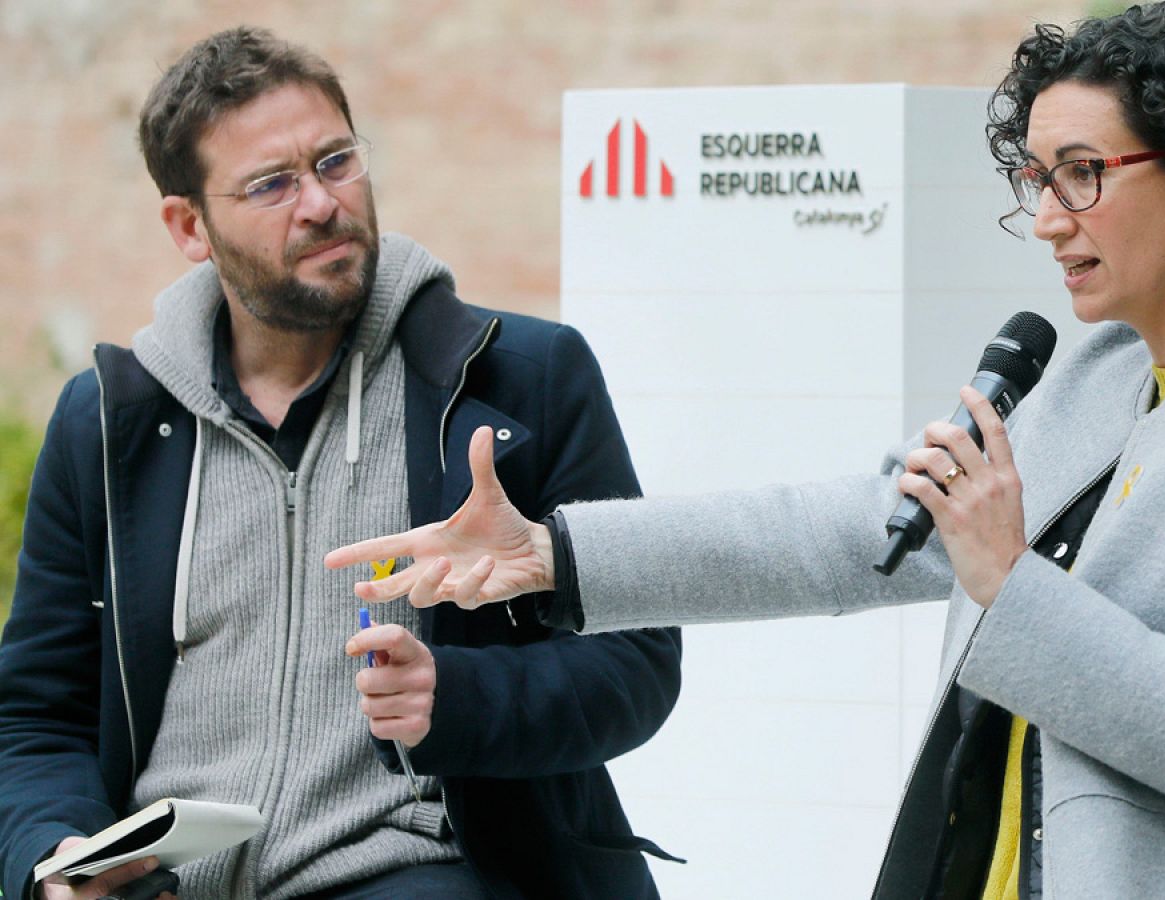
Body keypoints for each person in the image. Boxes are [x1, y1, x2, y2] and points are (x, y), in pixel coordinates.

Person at [329, 3, 1165, 898]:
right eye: (1034, 180)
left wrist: (1008, 583)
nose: (1049, 217)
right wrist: (556, 556)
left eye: (1083, 173)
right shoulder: (1102, 373)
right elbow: (854, 533)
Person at [0, 26, 682, 900]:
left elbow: (637, 661)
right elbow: (35, 715)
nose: (320, 204)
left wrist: (456, 699)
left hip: (419, 869)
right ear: (189, 226)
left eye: (335, 161)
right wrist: (54, 859)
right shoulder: (107, 425)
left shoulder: (519, 382)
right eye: (271, 184)